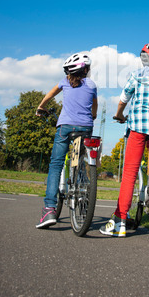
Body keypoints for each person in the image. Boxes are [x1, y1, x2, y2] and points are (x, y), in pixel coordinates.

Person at [100, 42, 149, 237]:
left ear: (143, 59)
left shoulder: (135, 76)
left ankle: (119, 221)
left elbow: (123, 100)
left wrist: (119, 115)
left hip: (138, 128)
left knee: (130, 173)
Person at [36, 52, 97, 229]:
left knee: (56, 165)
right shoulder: (92, 84)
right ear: (85, 70)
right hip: (85, 128)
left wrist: (41, 107)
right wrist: (92, 115)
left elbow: (49, 96)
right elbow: (94, 107)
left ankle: (49, 209)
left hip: (65, 128)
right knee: (79, 163)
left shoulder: (64, 82)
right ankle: (82, 197)